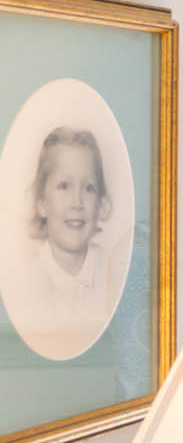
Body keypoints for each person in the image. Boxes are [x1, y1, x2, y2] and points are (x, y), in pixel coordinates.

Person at [21, 123, 116, 354]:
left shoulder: (114, 272)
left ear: (101, 205)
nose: (77, 202)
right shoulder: (27, 280)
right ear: (41, 203)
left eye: (89, 188)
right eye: (64, 186)